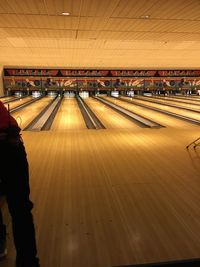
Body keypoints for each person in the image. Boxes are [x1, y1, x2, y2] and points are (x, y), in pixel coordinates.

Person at [0, 100, 40, 267]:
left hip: (9, 143)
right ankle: (28, 261)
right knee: (20, 208)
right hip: (10, 144)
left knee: (20, 209)